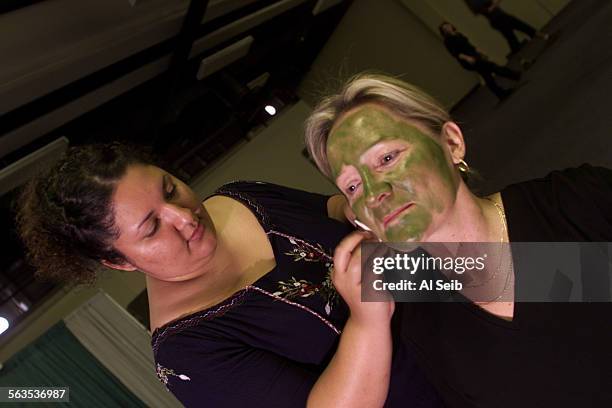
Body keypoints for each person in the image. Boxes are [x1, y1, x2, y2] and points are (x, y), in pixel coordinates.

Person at [16, 143, 443, 407]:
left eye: (170, 189)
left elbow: (326, 210)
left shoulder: (239, 196)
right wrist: (367, 319)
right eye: (151, 227)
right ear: (119, 261)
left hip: (453, 290)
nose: (185, 216)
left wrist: (353, 205)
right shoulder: (186, 353)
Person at [304, 73, 612, 408]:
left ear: (451, 143)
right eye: (352, 186)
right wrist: (367, 321)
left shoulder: (575, 203)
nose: (375, 193)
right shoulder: (421, 322)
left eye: (387, 158)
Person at [439, 22, 522, 100]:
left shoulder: (458, 34)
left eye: (447, 26)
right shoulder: (448, 41)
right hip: (469, 60)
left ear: (451, 25)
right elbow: (456, 54)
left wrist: (480, 53)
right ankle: (513, 76)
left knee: (487, 74)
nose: (447, 28)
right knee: (492, 67)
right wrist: (467, 58)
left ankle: (501, 93)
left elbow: (470, 46)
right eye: (444, 29)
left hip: (475, 56)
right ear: (443, 32)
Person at [464, 0, 549, 55]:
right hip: (497, 18)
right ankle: (544, 37)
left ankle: (544, 37)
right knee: (515, 35)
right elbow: (488, 10)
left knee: (517, 33)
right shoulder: (473, 2)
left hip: (499, 16)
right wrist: (496, 3)